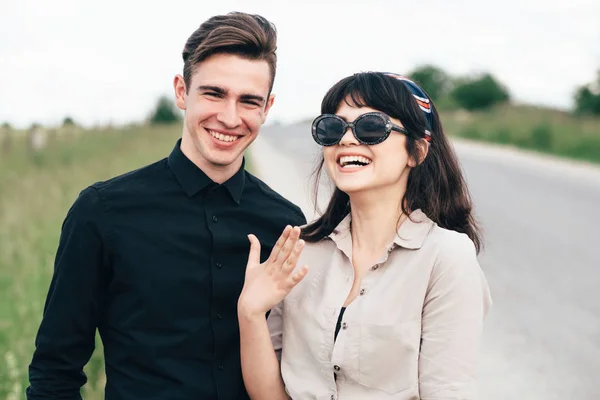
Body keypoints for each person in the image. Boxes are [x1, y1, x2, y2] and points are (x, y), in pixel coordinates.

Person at [26, 12, 306, 400]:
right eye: (214, 93)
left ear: (267, 108)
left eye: (249, 101)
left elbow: (300, 371)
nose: (229, 117)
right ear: (181, 91)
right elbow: (55, 372)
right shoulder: (103, 212)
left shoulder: (287, 223)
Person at [237, 72, 493, 399]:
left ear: (417, 150)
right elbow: (269, 395)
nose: (346, 140)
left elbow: (448, 391)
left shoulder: (446, 257)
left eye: (371, 127)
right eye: (333, 128)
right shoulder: (302, 249)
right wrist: (251, 312)